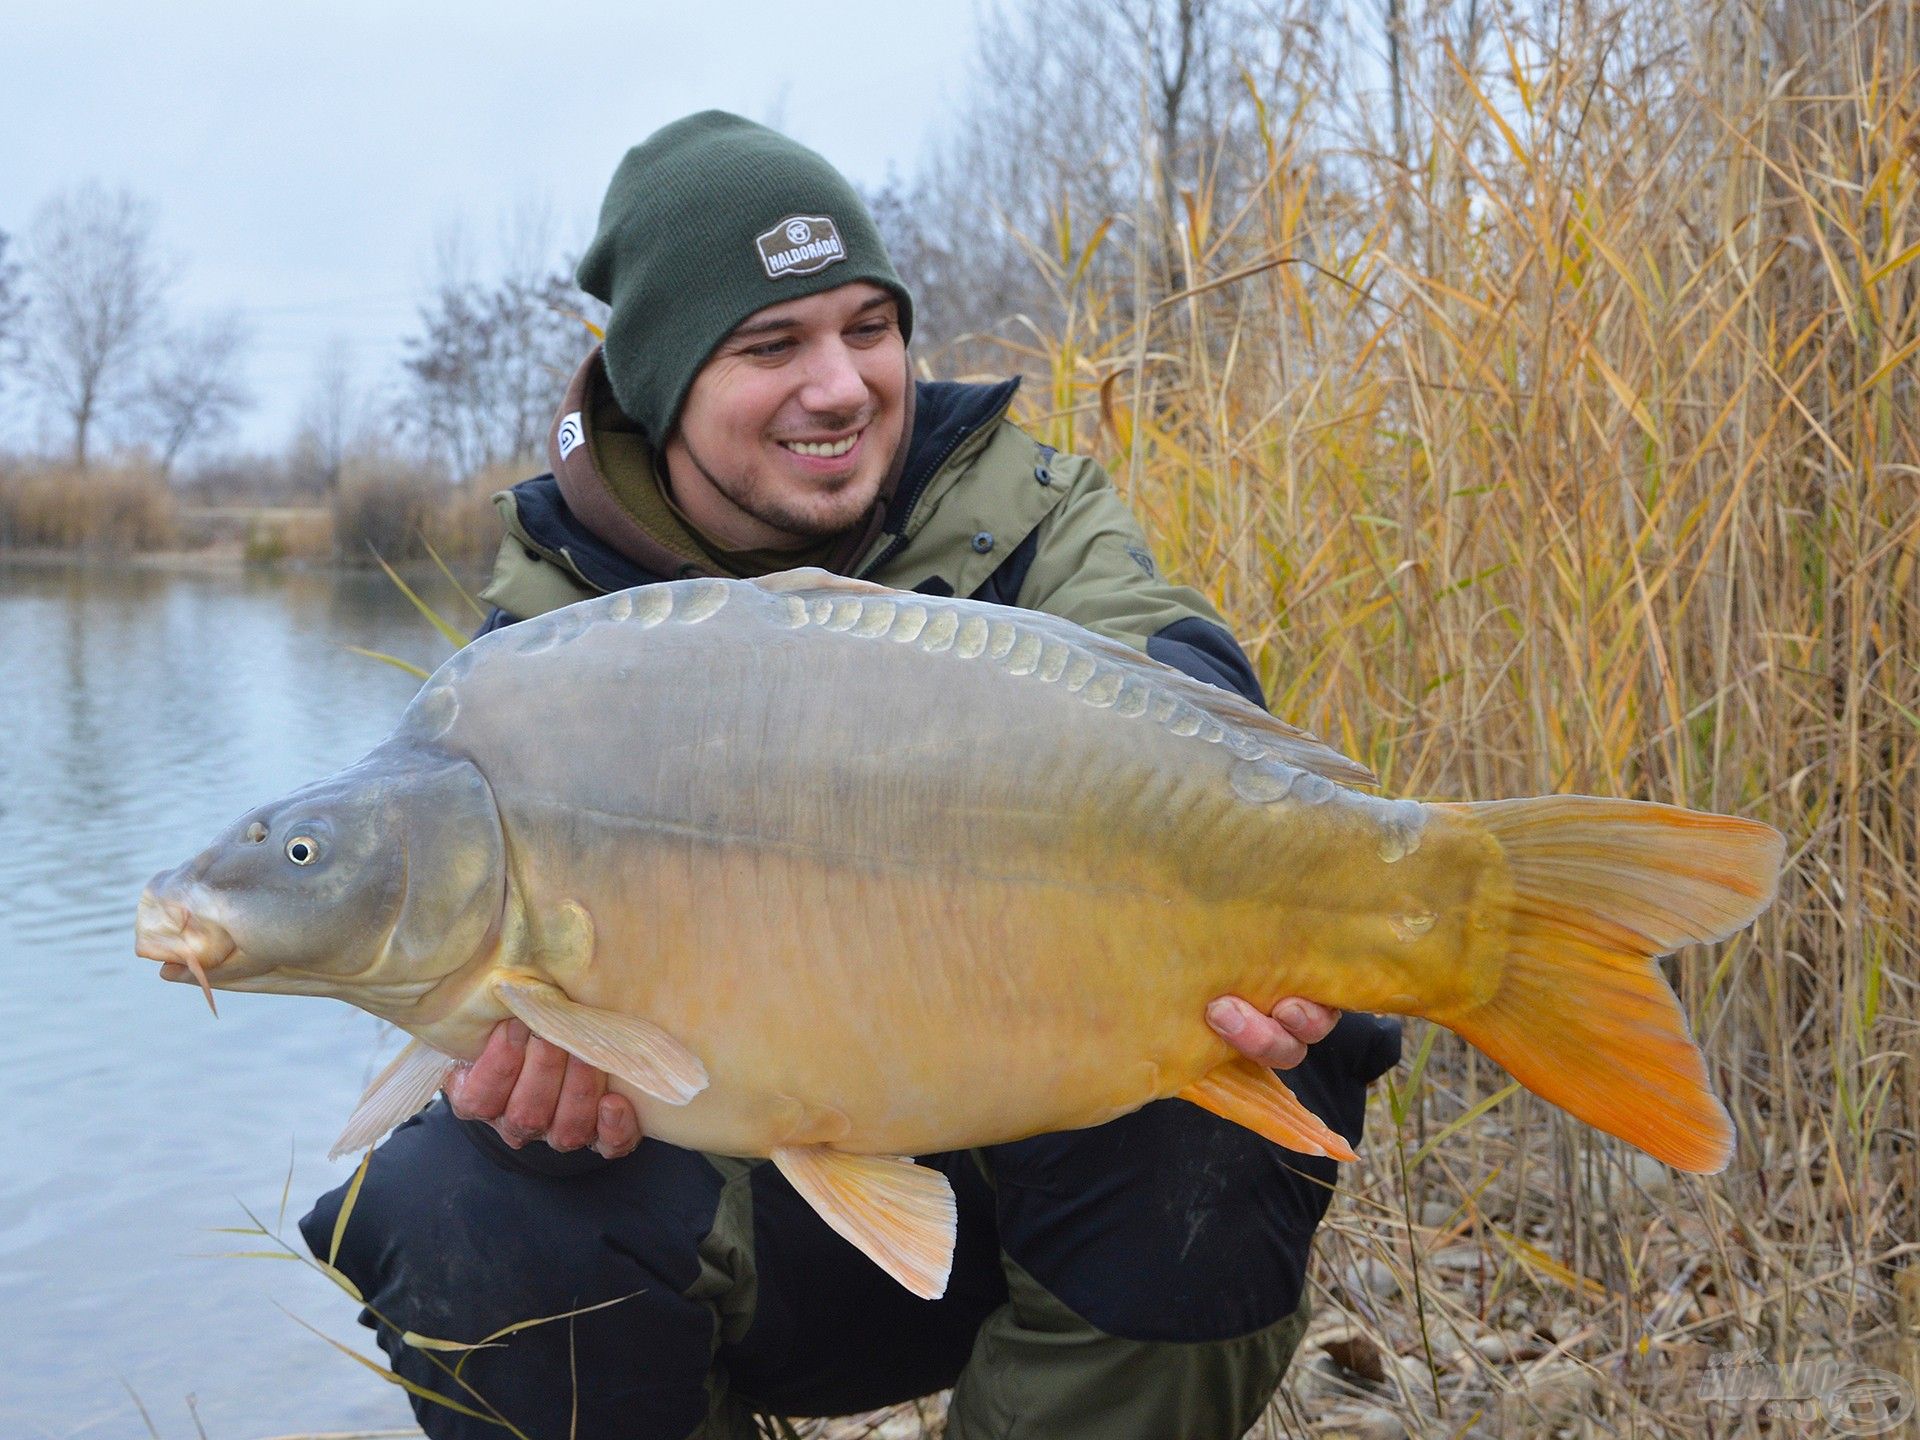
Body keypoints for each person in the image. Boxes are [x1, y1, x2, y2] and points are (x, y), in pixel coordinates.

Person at [302, 111, 1401, 1440]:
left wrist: (1259, 899)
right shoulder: (543, 657)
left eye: (868, 327)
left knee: (1290, 1049)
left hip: (1049, 1180)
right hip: (762, 1233)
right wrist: (524, 1098)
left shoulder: (1021, 507)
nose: (841, 385)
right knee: (454, 1201)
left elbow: (1175, 669)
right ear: (655, 388)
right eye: (772, 346)